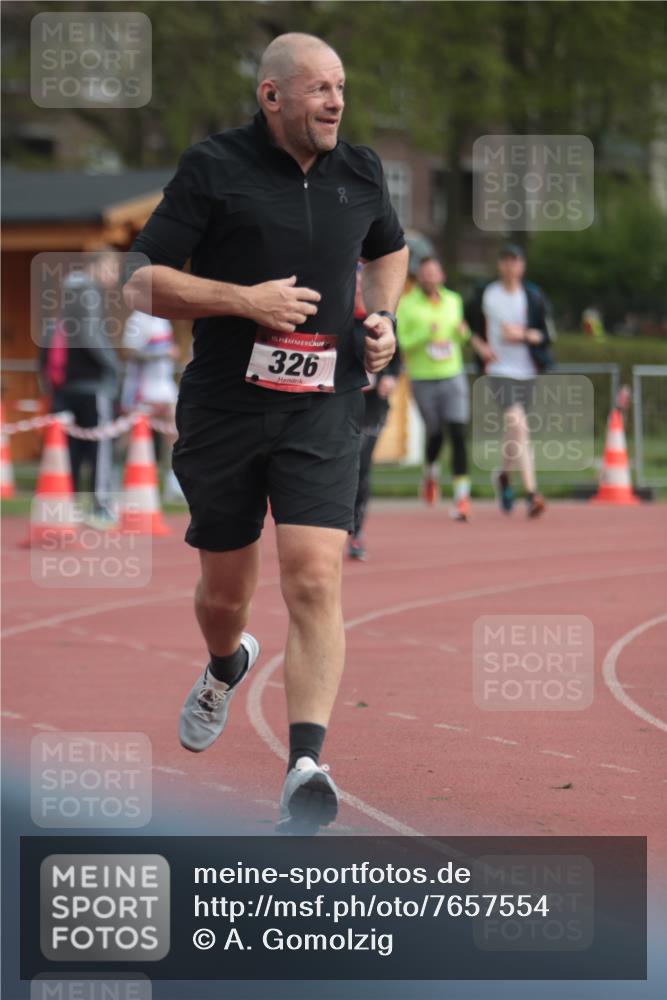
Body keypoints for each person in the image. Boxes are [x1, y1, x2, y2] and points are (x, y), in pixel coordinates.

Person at [123, 33, 408, 831]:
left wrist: (380, 318)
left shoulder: (361, 171)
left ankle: (305, 766)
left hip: (325, 403)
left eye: (341, 87)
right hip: (224, 408)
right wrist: (243, 301)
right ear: (271, 96)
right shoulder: (214, 168)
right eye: (318, 88)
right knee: (226, 593)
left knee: (315, 576)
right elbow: (139, 277)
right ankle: (225, 663)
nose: (335, 101)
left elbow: (389, 251)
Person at [466, 243, 553, 518]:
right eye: (505, 260)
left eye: (514, 261)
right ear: (499, 265)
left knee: (513, 432)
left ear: (522, 265)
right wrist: (480, 346)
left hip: (527, 370)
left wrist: (523, 334)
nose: (509, 266)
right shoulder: (485, 293)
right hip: (498, 369)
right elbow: (463, 324)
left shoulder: (534, 296)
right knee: (519, 424)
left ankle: (503, 475)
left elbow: (546, 335)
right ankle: (532, 493)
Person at [396, 257, 472, 521]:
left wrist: (463, 333)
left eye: (434, 273)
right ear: (419, 277)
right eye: (425, 274)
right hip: (423, 377)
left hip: (452, 374)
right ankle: (430, 473)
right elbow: (402, 342)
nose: (430, 277)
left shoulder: (453, 300)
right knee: (436, 433)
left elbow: (461, 335)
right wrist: (426, 335)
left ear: (442, 276)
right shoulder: (406, 305)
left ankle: (462, 497)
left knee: (459, 432)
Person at [50, 251, 121, 523]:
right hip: (93, 383)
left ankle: (67, 506)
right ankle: (100, 505)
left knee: (73, 447)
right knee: (100, 445)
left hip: (67, 383)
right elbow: (92, 335)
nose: (114, 277)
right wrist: (113, 364)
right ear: (98, 265)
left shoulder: (68, 294)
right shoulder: (88, 292)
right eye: (112, 268)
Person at [349, 263, 401, 561]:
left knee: (361, 466)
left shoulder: (381, 322)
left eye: (363, 283)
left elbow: (397, 358)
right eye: (354, 283)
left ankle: (356, 533)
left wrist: (391, 376)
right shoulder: (338, 319)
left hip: (372, 408)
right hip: (339, 405)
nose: (359, 288)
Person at [120, 309, 184, 501]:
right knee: (128, 439)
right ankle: (116, 482)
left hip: (164, 388)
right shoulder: (137, 319)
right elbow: (128, 351)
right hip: (141, 390)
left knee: (174, 437)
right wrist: (162, 353)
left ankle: (173, 485)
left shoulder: (162, 319)